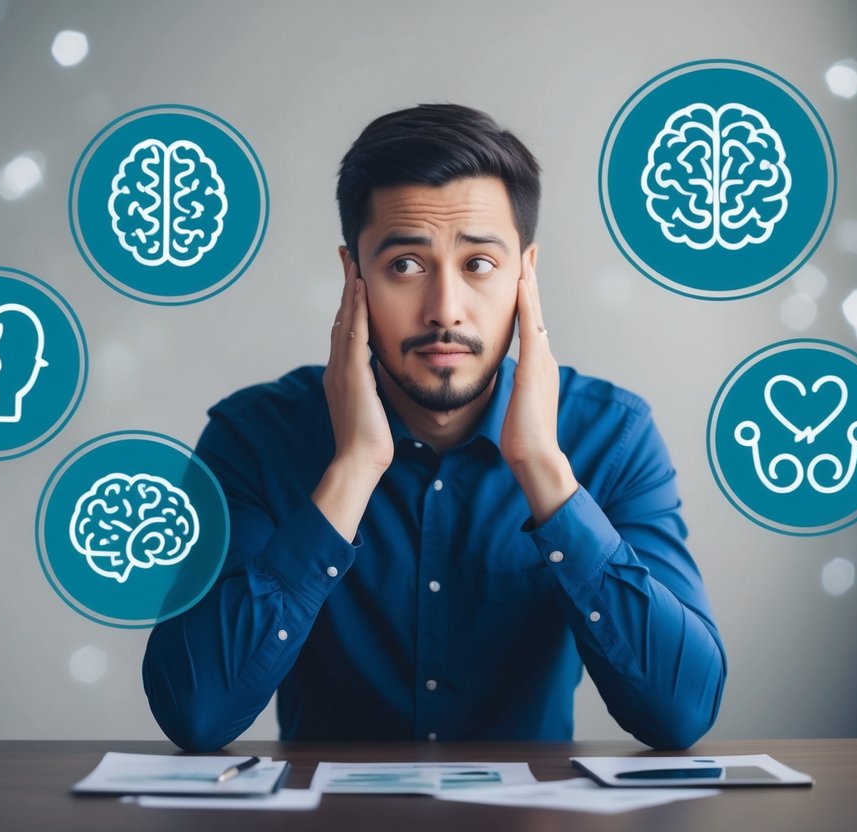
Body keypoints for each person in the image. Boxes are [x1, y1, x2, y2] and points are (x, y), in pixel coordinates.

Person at [142, 104, 726, 751]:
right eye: (405, 266)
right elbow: (194, 713)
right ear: (353, 276)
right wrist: (353, 469)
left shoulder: (612, 437)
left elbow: (680, 714)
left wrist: (543, 469)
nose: (445, 309)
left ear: (524, 276)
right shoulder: (254, 438)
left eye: (478, 264)